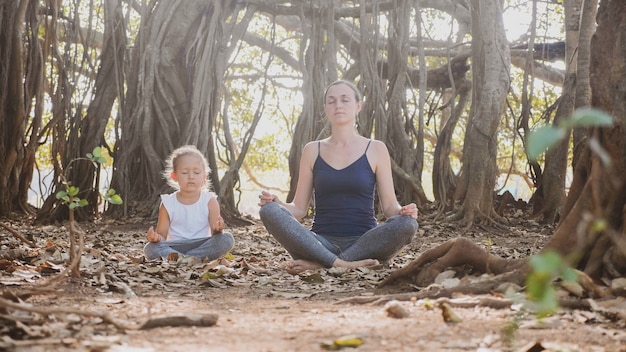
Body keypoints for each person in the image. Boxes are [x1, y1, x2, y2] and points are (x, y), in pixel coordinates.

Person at [258, 79, 419, 275]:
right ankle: (342, 263)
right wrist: (277, 203)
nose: (338, 105)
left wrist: (404, 211)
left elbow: (389, 208)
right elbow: (299, 209)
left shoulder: (376, 149)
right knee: (270, 211)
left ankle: (323, 264)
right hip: (319, 242)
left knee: (407, 225)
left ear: (358, 106)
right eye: (332, 101)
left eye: (345, 100)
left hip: (364, 242)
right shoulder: (312, 150)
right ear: (325, 108)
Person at [144, 145, 235, 262]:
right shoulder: (168, 202)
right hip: (175, 246)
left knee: (227, 239)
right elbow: (162, 235)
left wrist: (218, 229)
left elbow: (215, 234)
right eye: (185, 172)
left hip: (201, 243)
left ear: (204, 176)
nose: (191, 176)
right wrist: (156, 238)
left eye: (196, 172)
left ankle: (186, 258)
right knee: (150, 248)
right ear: (174, 176)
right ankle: (190, 258)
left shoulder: (209, 200)